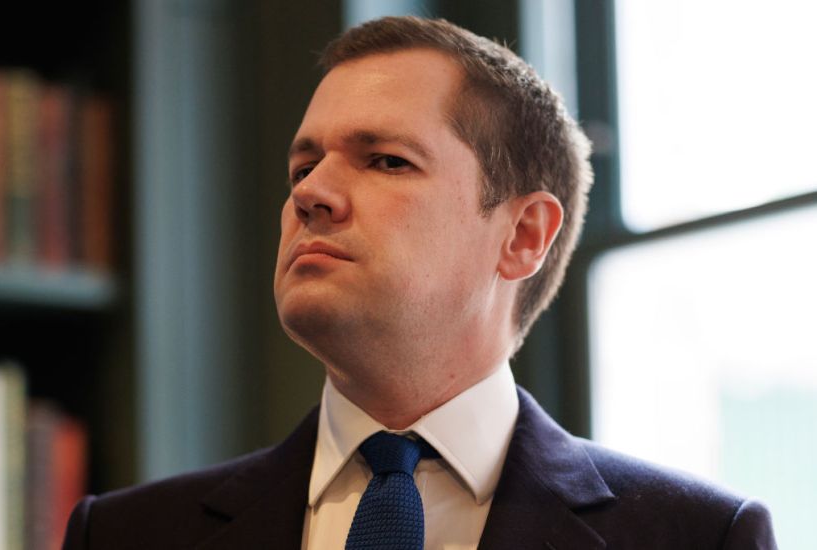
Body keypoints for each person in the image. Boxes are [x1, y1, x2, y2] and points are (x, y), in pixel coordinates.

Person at [63, 16, 777, 549]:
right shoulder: (126, 536)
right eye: (303, 167)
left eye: (386, 161)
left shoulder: (698, 537)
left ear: (523, 236)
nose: (311, 194)